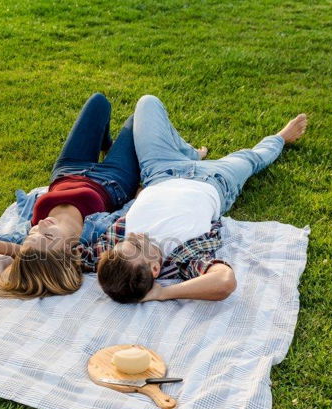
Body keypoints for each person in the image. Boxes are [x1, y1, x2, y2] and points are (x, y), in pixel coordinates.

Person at [90, 94, 308, 303]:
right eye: (137, 247)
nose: (134, 236)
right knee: (251, 159)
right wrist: (163, 293)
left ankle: (190, 153)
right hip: (216, 180)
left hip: (161, 170)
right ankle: (280, 138)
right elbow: (225, 281)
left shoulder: (115, 246)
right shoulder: (183, 256)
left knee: (148, 103)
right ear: (155, 269)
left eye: (125, 243)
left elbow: (67, 256)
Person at [0, 93, 148, 299]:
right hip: (114, 179)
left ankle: (107, 147)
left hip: (68, 170)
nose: (40, 226)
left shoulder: (25, 240)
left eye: (33, 234)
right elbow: (132, 213)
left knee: (99, 102)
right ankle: (116, 154)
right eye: (48, 236)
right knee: (140, 117)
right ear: (68, 253)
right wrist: (139, 193)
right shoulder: (92, 240)